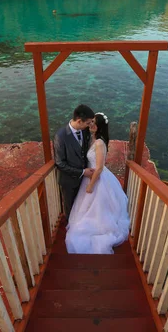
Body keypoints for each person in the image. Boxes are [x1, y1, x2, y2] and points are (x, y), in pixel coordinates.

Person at [65, 112, 131, 254]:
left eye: (95, 123)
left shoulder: (100, 142)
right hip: (89, 175)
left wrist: (91, 184)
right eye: (91, 122)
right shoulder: (92, 138)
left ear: (100, 127)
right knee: (86, 206)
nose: (91, 125)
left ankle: (99, 227)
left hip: (96, 178)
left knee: (97, 207)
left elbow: (100, 167)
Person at [53, 104, 95, 219]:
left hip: (83, 180)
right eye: (88, 123)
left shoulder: (85, 131)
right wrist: (82, 172)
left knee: (81, 205)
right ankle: (70, 229)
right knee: (70, 208)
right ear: (80, 121)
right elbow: (60, 163)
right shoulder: (60, 136)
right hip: (68, 181)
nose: (89, 125)